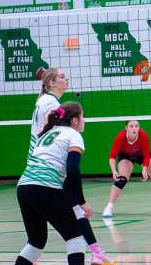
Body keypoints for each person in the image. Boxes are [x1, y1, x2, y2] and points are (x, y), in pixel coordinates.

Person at [30, 68, 111, 264]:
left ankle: (96, 252)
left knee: (71, 210)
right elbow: (59, 130)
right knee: (76, 209)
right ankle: (97, 253)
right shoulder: (50, 103)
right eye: (62, 76)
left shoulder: (44, 100)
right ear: (51, 83)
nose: (67, 79)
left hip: (39, 162)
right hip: (48, 166)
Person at [15, 103, 87, 265]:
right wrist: (81, 201)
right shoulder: (73, 135)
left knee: (36, 242)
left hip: (23, 187)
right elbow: (73, 169)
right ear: (75, 120)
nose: (84, 120)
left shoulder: (47, 134)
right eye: (82, 117)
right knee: (75, 239)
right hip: (44, 188)